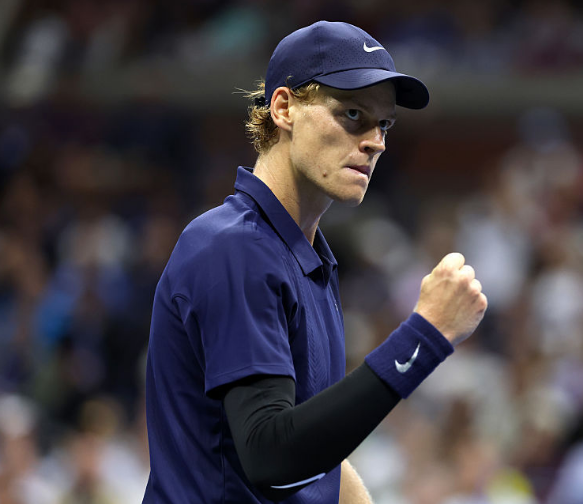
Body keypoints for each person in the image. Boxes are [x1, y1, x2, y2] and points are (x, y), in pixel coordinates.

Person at [142, 20, 488, 504]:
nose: (376, 141)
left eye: (384, 124)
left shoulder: (303, 255)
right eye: (352, 114)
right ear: (284, 108)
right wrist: (425, 335)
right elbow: (272, 458)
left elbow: (311, 447)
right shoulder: (234, 248)